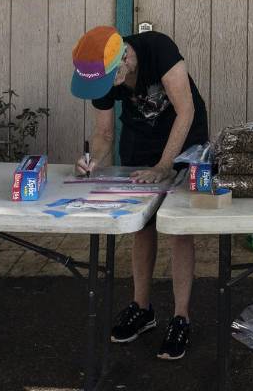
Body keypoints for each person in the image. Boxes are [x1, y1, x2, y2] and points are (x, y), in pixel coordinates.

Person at [69, 25, 208, 360]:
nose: (102, 89)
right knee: (141, 225)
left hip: (183, 138)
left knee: (177, 226)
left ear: (125, 60)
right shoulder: (100, 72)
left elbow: (185, 109)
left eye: (106, 80)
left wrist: (165, 165)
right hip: (139, 140)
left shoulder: (158, 48)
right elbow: (103, 132)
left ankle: (181, 317)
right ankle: (142, 308)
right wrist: (93, 161)